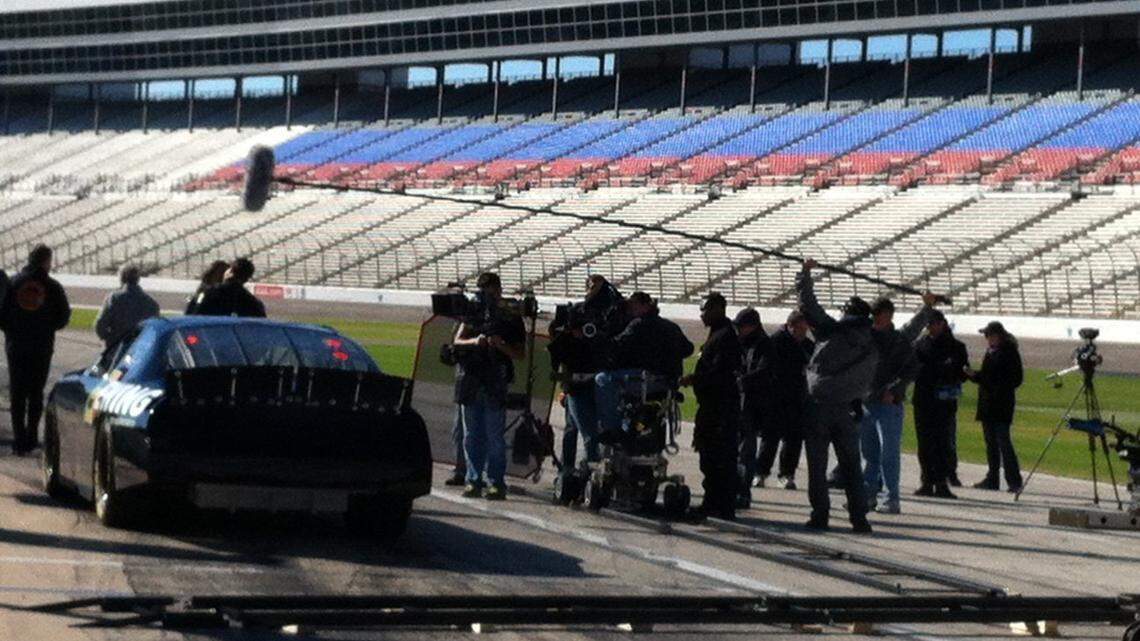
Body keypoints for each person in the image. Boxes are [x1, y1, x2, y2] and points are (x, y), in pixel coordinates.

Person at [796, 259, 878, 534]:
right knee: (852, 467)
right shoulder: (875, 340)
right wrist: (927, 310)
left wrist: (805, 274)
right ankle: (859, 518)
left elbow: (808, 305)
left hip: (820, 406)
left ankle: (820, 515)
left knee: (817, 468)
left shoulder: (832, 331)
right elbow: (908, 335)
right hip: (848, 410)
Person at [859, 295, 936, 515]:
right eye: (873, 316)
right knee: (869, 454)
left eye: (878, 316)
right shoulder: (866, 337)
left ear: (889, 316)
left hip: (888, 405)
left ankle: (891, 497)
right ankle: (868, 495)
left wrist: (895, 391)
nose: (875, 320)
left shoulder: (898, 340)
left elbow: (912, 369)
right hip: (866, 402)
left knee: (888, 454)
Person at [452, 272, 525, 500]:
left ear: (499, 290)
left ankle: (496, 481)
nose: (487, 297)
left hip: (495, 378)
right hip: (471, 377)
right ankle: (473, 479)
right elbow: (457, 339)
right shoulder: (473, 311)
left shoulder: (510, 316)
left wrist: (500, 345)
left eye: (491, 292)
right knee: (471, 434)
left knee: (494, 435)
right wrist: (476, 341)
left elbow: (520, 353)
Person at [0, 245, 71, 456]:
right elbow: (63, 316)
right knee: (36, 392)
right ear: (45, 261)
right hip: (41, 346)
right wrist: (48, 328)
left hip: (16, 346)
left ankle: (19, 438)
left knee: (17, 393)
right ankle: (32, 435)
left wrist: (12, 331)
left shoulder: (13, 284)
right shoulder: (52, 286)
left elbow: (1, 313)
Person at [594, 292, 692, 437]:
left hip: (644, 381)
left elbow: (617, 345)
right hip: (668, 382)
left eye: (634, 305)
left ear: (645, 306)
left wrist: (599, 338)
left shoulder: (638, 324)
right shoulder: (670, 326)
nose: (631, 309)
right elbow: (688, 349)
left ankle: (612, 429)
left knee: (602, 379)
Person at [680, 292, 740, 521]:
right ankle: (713, 501)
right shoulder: (718, 334)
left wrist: (693, 379)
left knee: (719, 457)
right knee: (709, 456)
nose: (702, 315)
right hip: (711, 405)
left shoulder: (725, 337)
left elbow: (719, 374)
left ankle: (721, 505)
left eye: (705, 310)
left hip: (720, 408)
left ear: (718, 309)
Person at [911, 309, 968, 499]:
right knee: (925, 443)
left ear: (942, 323)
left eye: (933, 324)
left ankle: (942, 482)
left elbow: (962, 373)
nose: (930, 328)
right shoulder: (920, 345)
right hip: (924, 400)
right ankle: (927, 480)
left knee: (944, 443)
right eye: (928, 325)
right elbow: (913, 370)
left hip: (945, 402)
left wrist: (950, 373)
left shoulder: (956, 347)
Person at [756, 310, 813, 490]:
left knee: (794, 438)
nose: (803, 334)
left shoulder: (807, 345)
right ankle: (760, 473)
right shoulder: (775, 342)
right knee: (770, 437)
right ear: (790, 326)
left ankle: (787, 474)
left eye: (805, 330)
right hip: (776, 397)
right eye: (800, 330)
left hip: (797, 398)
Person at [965, 321, 1024, 492]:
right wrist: (973, 375)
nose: (987, 339)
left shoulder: (1009, 352)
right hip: (988, 403)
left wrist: (990, 380)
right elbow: (986, 376)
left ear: (998, 335)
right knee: (991, 443)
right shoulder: (991, 352)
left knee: (1003, 442)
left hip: (1001, 404)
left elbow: (1015, 379)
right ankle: (992, 478)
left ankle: (1014, 480)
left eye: (989, 335)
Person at [733, 307, 772, 509]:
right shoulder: (741, 344)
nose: (739, 330)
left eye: (742, 326)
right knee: (735, 450)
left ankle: (743, 491)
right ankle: (734, 489)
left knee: (746, 452)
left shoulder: (765, 345)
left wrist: (740, 381)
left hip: (752, 405)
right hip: (738, 404)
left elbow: (764, 372)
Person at [94, 265, 161, 349]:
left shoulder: (114, 298)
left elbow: (100, 326)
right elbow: (155, 331)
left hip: (117, 349)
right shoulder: (152, 303)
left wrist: (110, 340)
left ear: (122, 278)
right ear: (138, 280)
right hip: (140, 351)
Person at [192, 257, 266, 318]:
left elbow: (193, 317)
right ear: (246, 279)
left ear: (230, 271)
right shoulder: (254, 303)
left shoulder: (207, 293)